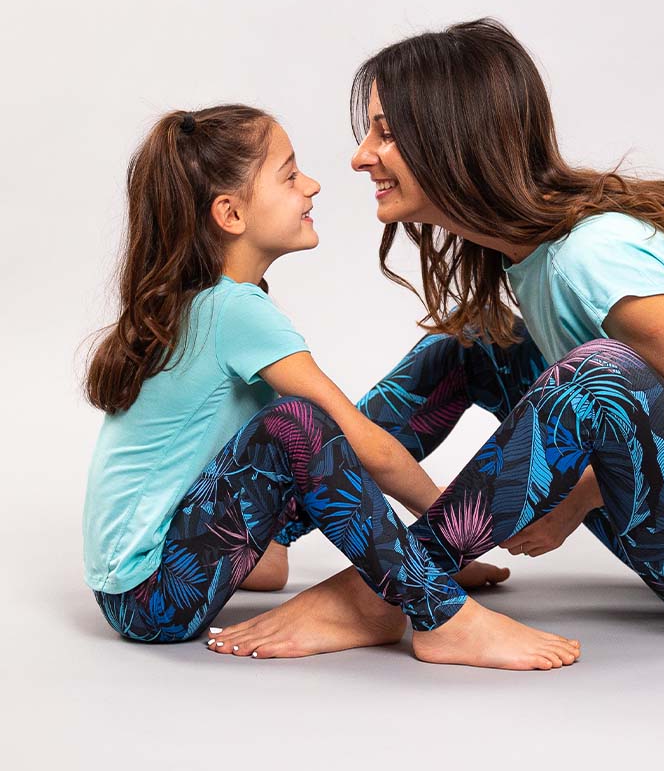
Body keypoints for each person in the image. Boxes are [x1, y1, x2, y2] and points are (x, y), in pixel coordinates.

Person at [340, 17, 664, 632]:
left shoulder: (592, 256)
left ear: (452, 138)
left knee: (600, 374)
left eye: (386, 134)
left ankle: (387, 590)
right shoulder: (531, 256)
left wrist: (576, 499)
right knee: (472, 346)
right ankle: (275, 524)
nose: (360, 157)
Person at [81, 104, 582, 670]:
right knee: (302, 424)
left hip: (166, 566)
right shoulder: (233, 310)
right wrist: (454, 525)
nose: (312, 186)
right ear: (231, 213)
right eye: (290, 176)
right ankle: (439, 613)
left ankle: (278, 551)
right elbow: (365, 445)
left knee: (451, 350)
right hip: (149, 599)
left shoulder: (207, 302)